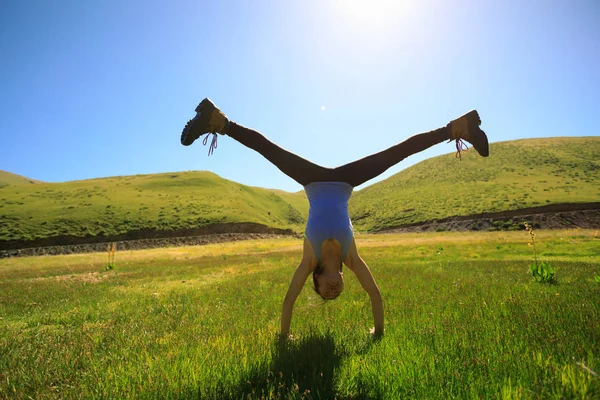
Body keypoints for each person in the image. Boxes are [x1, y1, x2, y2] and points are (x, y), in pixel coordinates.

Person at [180, 98, 489, 338]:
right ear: (342, 277)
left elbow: (288, 301)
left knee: (268, 150)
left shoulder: (308, 259)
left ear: (315, 280)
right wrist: (377, 332)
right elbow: (375, 295)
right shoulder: (351, 258)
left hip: (311, 180)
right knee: (399, 152)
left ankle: (217, 120)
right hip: (346, 181)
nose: (332, 292)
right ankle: (457, 128)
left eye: (324, 292)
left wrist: (284, 337)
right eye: (337, 292)